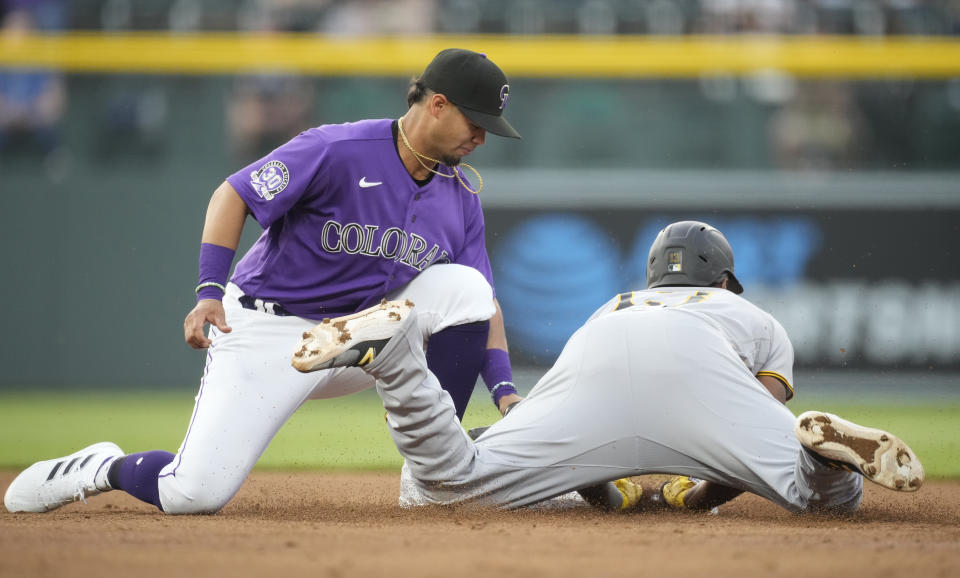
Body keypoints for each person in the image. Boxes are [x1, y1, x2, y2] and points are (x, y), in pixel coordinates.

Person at [5, 48, 524, 515]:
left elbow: (482, 304)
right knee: (193, 494)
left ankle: (433, 468)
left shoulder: (460, 197)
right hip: (270, 329)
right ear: (436, 104)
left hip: (360, 339)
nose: (481, 137)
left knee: (465, 286)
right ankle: (103, 467)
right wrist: (209, 292)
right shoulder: (338, 148)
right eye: (475, 122)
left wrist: (504, 394)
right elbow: (232, 196)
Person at [289, 220, 924, 513]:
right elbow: (758, 412)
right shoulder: (749, 315)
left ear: (653, 276)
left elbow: (580, 412)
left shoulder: (615, 303)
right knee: (810, 488)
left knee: (446, 486)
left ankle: (398, 360)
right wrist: (700, 495)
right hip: (699, 364)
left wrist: (603, 484)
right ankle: (829, 458)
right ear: (725, 279)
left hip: (597, 356)